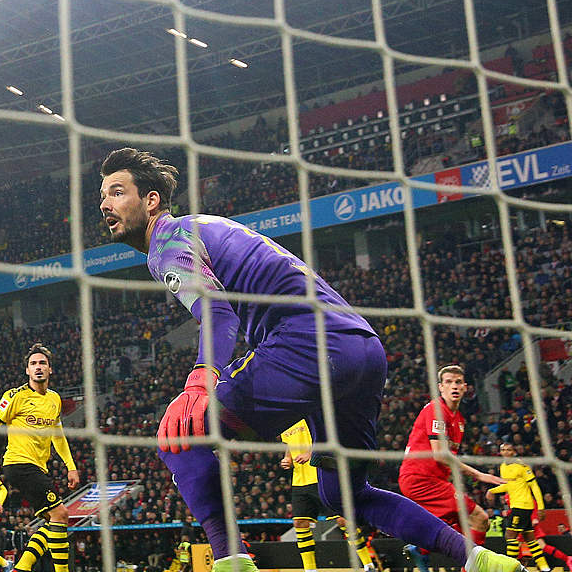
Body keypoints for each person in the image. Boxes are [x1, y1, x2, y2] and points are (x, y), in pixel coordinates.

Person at [96, 148, 521, 572]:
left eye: (117, 192)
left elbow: (217, 311)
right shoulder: (207, 226)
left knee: (181, 434)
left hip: (309, 347)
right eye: (103, 195)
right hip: (362, 351)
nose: (104, 203)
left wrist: (199, 382)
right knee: (346, 497)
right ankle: (481, 562)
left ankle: (231, 563)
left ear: (151, 200)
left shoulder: (168, 241)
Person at [0, 343, 80, 572]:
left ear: (50, 369)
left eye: (42, 363)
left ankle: (21, 568)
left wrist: (71, 467)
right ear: (27, 370)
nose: (38, 367)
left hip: (38, 467)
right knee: (61, 513)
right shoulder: (15, 396)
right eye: (33, 364)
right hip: (18, 463)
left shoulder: (54, 399)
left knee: (52, 521)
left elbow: (59, 437)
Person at [398, 365, 503, 548]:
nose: (454, 386)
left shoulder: (459, 420)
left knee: (466, 527)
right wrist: (478, 474)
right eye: (448, 382)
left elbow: (449, 461)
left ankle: (421, 548)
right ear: (440, 387)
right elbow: (440, 455)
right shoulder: (436, 410)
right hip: (420, 479)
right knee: (480, 518)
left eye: (458, 382)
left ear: (465, 387)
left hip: (435, 480)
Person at [279, 419, 374, 572]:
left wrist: (310, 453)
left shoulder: (310, 416)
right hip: (299, 482)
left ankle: (368, 564)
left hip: (323, 476)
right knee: (300, 523)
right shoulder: (286, 422)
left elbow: (327, 439)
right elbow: (289, 445)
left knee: (343, 521)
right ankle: (310, 569)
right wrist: (288, 459)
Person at [486, 442, 571, 571]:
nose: (506, 452)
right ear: (500, 452)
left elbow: (534, 486)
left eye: (509, 450)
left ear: (514, 452)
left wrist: (541, 507)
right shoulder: (503, 466)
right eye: (503, 450)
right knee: (531, 541)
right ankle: (545, 569)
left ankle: (511, 568)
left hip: (523, 506)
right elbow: (508, 486)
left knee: (510, 536)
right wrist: (492, 491)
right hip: (517, 506)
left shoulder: (521, 466)